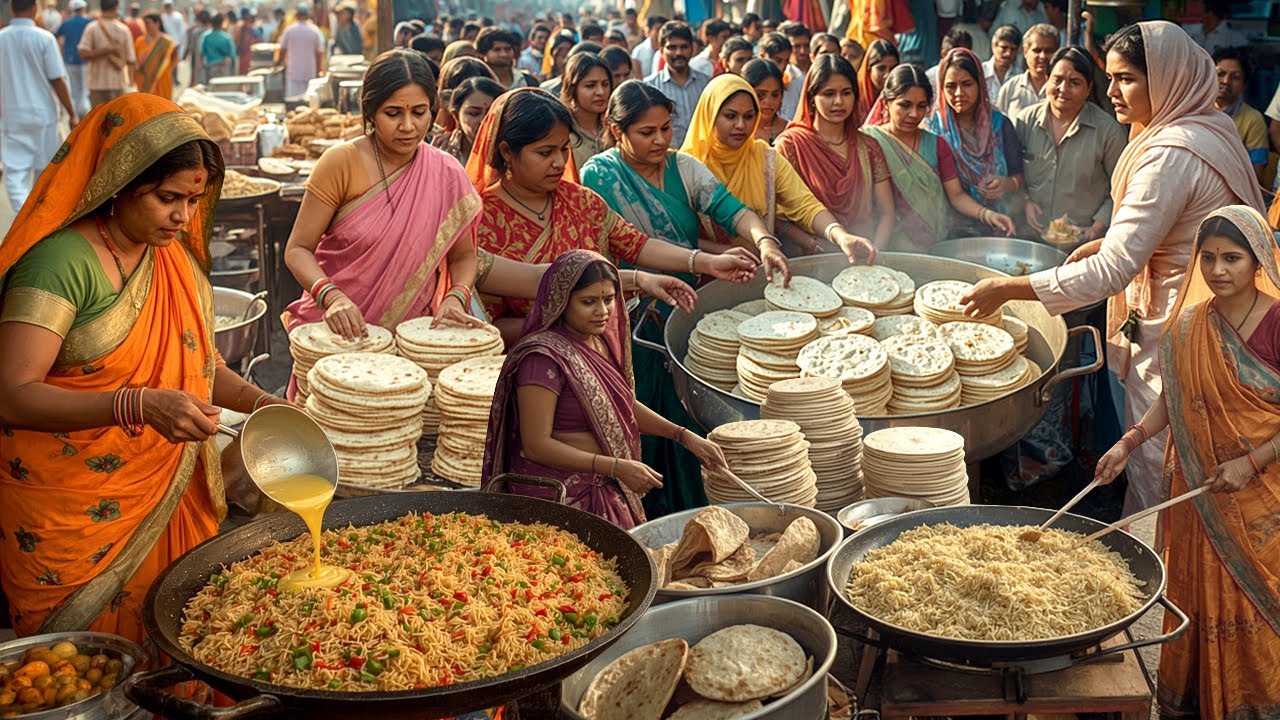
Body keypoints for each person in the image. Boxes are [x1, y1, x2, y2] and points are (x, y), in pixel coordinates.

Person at [0, 95, 285, 641]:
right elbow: (13, 394)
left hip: (163, 485)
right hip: (71, 510)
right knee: (78, 668)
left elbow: (203, 366)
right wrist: (135, 403)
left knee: (172, 640)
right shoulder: (59, 264)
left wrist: (264, 403)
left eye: (194, 200)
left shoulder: (171, 256)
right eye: (166, 198)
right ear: (117, 184)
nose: (183, 216)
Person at [961, 22, 1265, 515]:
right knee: (1197, 452)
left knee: (1158, 458)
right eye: (1110, 77)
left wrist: (1007, 289)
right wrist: (1108, 239)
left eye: (1126, 79)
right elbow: (1184, 223)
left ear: (1165, 79)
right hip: (1219, 310)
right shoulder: (1208, 126)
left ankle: (1164, 562)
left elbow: (1113, 273)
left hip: (1179, 321)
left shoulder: (1169, 153)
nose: (1111, 92)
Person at [1093, 205, 1280, 720]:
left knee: (1258, 601)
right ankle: (1199, 699)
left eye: (1233, 258)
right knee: (1198, 596)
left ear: (1259, 260)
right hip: (1201, 487)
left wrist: (1253, 462)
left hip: (1261, 498)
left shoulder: (1279, 322)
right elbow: (1172, 399)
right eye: (1210, 258)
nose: (1219, 270)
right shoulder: (1194, 321)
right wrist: (1128, 444)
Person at [580, 81, 790, 515]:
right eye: (645, 132)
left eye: (665, 129)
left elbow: (733, 210)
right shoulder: (599, 177)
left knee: (690, 417)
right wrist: (694, 264)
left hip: (687, 312)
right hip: (629, 316)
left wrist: (765, 241)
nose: (659, 140)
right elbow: (609, 254)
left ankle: (693, 507)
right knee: (641, 417)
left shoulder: (686, 168)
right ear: (616, 130)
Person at [466, 88, 759, 339]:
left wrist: (707, 262)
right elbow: (490, 323)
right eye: (545, 153)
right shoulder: (483, 221)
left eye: (564, 150)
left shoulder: (581, 201)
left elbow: (638, 244)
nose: (558, 162)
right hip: (533, 370)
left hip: (603, 352)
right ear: (506, 152)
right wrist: (564, 326)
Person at [482, 250, 729, 529]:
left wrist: (683, 436)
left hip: (605, 487)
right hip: (560, 502)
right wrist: (614, 466)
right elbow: (536, 446)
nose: (602, 311)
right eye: (588, 302)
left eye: (609, 299)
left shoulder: (598, 342)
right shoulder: (541, 359)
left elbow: (621, 404)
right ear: (561, 301)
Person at [283, 50, 481, 348]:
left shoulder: (447, 172)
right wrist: (332, 297)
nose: (408, 126)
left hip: (412, 338)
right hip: (336, 334)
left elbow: (464, 256)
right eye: (393, 113)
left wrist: (456, 297)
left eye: (419, 112)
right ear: (370, 112)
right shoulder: (341, 163)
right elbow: (298, 248)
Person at [681, 73, 881, 264]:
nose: (741, 125)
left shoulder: (765, 158)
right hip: (704, 275)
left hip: (762, 267)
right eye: (730, 116)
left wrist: (840, 236)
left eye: (749, 116)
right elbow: (674, 235)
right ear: (709, 116)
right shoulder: (687, 166)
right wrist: (724, 253)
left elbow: (805, 205)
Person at [865, 64, 1016, 249]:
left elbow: (956, 195)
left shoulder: (937, 144)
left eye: (921, 106)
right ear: (886, 103)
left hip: (933, 245)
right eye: (905, 105)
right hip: (882, 243)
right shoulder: (869, 141)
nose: (914, 114)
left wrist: (988, 215)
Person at [777, 54, 894, 253]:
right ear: (812, 98)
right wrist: (814, 246)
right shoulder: (790, 146)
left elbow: (887, 213)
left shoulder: (868, 147)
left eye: (846, 93)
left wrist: (874, 253)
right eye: (829, 94)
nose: (839, 101)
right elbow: (777, 218)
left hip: (866, 255)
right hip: (810, 258)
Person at [1015, 46, 1126, 243]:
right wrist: (1024, 201)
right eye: (1057, 80)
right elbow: (1013, 174)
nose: (1063, 89)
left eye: (1074, 82)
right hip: (1030, 237)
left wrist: (1098, 226)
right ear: (1047, 79)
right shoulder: (1025, 121)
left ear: (1089, 88)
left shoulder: (1108, 132)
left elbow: (1121, 188)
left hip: (1083, 240)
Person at [927, 47, 1025, 227]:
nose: (958, 93)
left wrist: (1006, 184)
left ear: (980, 84)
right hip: (951, 227)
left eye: (967, 84)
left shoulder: (1000, 124)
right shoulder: (933, 128)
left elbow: (1018, 177)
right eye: (950, 86)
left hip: (1002, 223)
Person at [0, 0, 75, 211]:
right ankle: (35, 220)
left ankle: (23, 217)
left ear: (12, 9)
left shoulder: (1, 39)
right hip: (44, 115)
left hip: (11, 115)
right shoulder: (45, 38)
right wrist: (71, 112)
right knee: (45, 172)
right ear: (35, 9)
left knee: (15, 174)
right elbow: (57, 79)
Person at [644, 21, 710, 146]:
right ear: (662, 51)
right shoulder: (649, 87)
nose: (678, 53)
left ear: (692, 49)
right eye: (672, 47)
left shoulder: (706, 83)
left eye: (684, 47)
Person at [1213, 46, 1268, 183]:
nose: (1226, 81)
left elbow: (1256, 176)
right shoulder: (1196, 111)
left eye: (1235, 77)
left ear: (1244, 85)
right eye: (1220, 74)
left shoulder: (1253, 120)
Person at [78, 0, 135, 108]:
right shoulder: (124, 30)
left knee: (99, 121)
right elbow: (131, 60)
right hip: (118, 83)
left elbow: (82, 53)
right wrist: (131, 83)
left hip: (96, 84)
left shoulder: (92, 28)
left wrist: (103, 51)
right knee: (118, 121)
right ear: (116, 8)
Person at [432, 76, 503, 165]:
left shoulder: (509, 154)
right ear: (456, 116)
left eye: (491, 115)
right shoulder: (441, 152)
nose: (483, 121)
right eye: (474, 113)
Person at [561, 52, 613, 172]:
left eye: (605, 84)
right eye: (590, 86)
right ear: (572, 89)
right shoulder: (563, 133)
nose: (600, 92)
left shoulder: (614, 128)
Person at [997, 23, 1058, 119]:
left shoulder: (1061, 90)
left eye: (1048, 51)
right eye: (1037, 50)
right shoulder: (1010, 88)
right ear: (1025, 51)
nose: (1042, 56)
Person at [277, 3, 326, 99]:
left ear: (296, 15)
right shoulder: (315, 31)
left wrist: (278, 64)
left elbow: (282, 50)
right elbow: (319, 54)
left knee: (293, 103)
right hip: (310, 73)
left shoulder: (289, 30)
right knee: (309, 104)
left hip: (293, 75)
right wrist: (318, 71)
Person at [55, 0, 91, 118]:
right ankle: (84, 111)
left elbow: (55, 35)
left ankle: (75, 111)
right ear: (84, 8)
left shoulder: (66, 23)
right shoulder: (89, 22)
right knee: (84, 88)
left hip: (70, 59)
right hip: (86, 59)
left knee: (74, 88)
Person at [742, 58, 788, 143]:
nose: (769, 101)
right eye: (760, 95)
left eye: (775, 95)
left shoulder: (790, 131)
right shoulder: (738, 132)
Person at [134, 11, 176, 99]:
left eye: (148, 23)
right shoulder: (140, 41)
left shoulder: (167, 42)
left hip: (162, 79)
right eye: (144, 23)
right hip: (143, 80)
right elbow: (135, 60)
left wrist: (161, 72)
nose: (146, 26)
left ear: (157, 23)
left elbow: (174, 59)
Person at [856, 38, 898, 122]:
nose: (888, 75)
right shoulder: (854, 97)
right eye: (881, 68)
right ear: (868, 68)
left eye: (893, 68)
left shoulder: (900, 97)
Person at [779, 20, 812, 121]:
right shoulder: (783, 75)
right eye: (796, 47)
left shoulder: (817, 72)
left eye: (806, 46)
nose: (802, 51)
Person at [985, 24, 1020, 100]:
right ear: (993, 46)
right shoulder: (980, 72)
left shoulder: (1020, 76)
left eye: (1013, 49)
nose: (1008, 53)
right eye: (1004, 48)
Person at [200, 12, 235, 83]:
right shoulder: (226, 37)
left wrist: (204, 67)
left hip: (210, 68)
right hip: (223, 68)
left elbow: (202, 54)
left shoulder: (207, 37)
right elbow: (232, 56)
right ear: (222, 23)